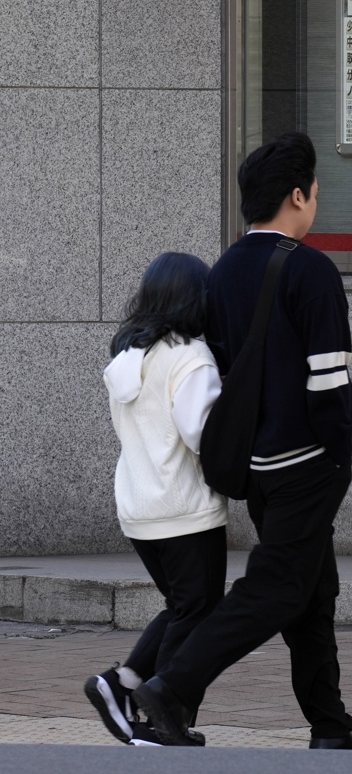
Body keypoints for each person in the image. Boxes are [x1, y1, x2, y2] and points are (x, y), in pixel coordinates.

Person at [134, 132, 352, 750]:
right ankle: (171, 686)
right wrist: (339, 452)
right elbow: (329, 383)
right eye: (314, 191)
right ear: (298, 195)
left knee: (313, 590)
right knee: (278, 588)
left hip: (258, 466)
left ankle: (329, 723)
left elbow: (224, 368)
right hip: (308, 461)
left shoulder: (225, 268)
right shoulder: (311, 269)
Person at [85, 252, 227, 747]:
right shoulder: (191, 356)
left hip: (140, 508)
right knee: (198, 610)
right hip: (185, 507)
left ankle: (120, 684)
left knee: (183, 604)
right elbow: (200, 433)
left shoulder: (129, 356)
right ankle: (163, 719)